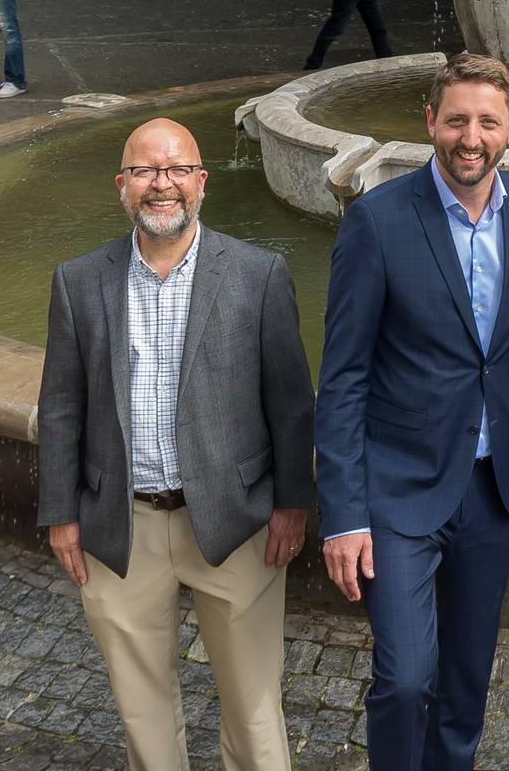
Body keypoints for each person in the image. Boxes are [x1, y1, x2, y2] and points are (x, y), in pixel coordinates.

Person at [36, 118, 317, 771]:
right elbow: (60, 408)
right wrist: (61, 514)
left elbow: (292, 403)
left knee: (253, 711)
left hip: (234, 522)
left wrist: (291, 504)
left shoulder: (258, 275)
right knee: (144, 714)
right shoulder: (79, 281)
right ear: (122, 186)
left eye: (177, 170)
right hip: (121, 525)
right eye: (145, 172)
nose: (162, 185)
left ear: (202, 183)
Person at [316, 54, 509, 771]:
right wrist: (343, 513)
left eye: (488, 121)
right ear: (430, 122)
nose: (470, 136)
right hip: (396, 488)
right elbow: (342, 380)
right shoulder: (376, 222)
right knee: (404, 679)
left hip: (490, 491)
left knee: (465, 679)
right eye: (456, 119)